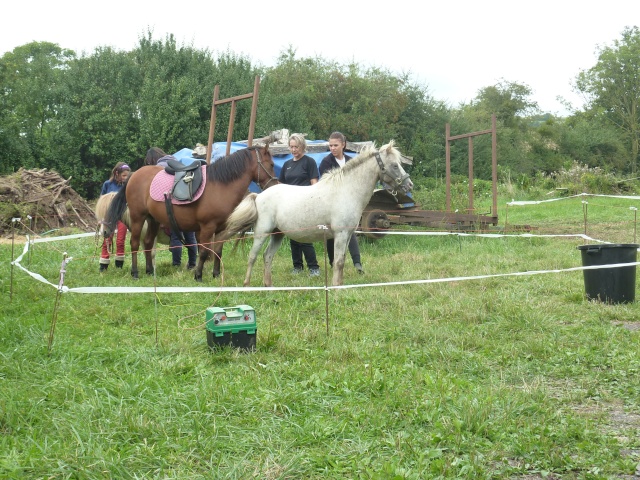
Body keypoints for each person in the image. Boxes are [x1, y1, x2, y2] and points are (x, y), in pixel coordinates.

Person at [318, 132, 364, 274]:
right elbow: (326, 184)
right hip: (332, 204)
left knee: (350, 232)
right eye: (330, 145)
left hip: (349, 203)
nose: (332, 148)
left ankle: (358, 264)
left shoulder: (351, 161)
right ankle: (333, 265)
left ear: (343, 145)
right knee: (332, 235)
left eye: (335, 145)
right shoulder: (326, 162)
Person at [144, 147, 198, 269]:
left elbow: (160, 192)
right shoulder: (177, 162)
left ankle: (176, 265)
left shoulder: (159, 169)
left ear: (152, 159)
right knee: (190, 237)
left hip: (174, 207)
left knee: (176, 237)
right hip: (188, 205)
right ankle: (193, 264)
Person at [278, 133, 321, 276]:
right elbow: (281, 185)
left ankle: (314, 268)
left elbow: (314, 183)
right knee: (293, 236)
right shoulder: (287, 165)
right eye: (291, 147)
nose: (293, 150)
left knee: (304, 237)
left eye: (296, 147)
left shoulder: (309, 162)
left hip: (305, 204)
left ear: (302, 146)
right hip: (290, 205)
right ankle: (297, 266)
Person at [99, 162, 131, 272]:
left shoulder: (128, 186)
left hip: (122, 216)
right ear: (117, 174)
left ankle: (119, 264)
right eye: (124, 176)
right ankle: (104, 264)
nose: (126, 178)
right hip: (109, 216)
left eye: (127, 176)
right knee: (107, 239)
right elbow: (102, 200)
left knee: (120, 240)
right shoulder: (107, 184)